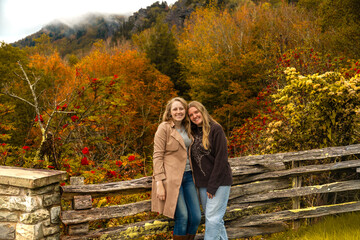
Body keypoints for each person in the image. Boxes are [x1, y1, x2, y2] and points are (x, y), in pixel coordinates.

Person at [151, 97, 201, 240]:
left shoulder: (188, 127)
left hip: (189, 177)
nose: (179, 111)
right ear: (170, 112)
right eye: (175, 109)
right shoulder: (164, 128)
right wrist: (159, 182)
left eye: (181, 108)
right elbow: (157, 155)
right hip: (171, 179)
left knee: (196, 217)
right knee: (183, 217)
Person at [187, 101, 233, 240]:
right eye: (191, 115)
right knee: (215, 220)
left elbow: (221, 159)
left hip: (219, 182)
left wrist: (212, 186)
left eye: (196, 112)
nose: (195, 116)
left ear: (203, 111)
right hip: (202, 184)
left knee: (212, 220)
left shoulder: (215, 129)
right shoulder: (192, 133)